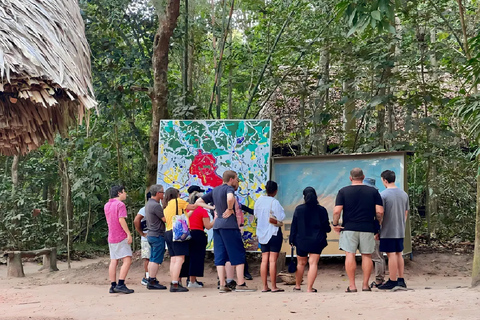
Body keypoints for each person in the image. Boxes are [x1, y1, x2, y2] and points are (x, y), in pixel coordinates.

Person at [196, 170, 256, 293]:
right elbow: (230, 198)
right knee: (238, 253)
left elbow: (199, 202)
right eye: (237, 179)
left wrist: (213, 208)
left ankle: (222, 284)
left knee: (220, 255)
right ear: (231, 179)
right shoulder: (229, 189)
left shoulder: (215, 190)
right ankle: (240, 283)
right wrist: (229, 209)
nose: (237, 181)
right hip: (229, 226)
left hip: (217, 226)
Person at [332, 168, 384, 293]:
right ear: (363, 177)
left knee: (350, 254)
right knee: (367, 256)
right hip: (367, 228)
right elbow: (379, 211)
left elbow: (337, 211)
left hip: (349, 228)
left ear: (350, 178)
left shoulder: (343, 191)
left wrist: (335, 224)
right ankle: (365, 285)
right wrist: (378, 224)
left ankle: (352, 286)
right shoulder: (373, 192)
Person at [289, 187, 331, 293]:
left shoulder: (299, 209)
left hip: (301, 240)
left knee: (300, 264)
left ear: (304, 196)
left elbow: (294, 226)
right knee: (313, 264)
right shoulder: (322, 210)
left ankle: (297, 286)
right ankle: (309, 288)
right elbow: (327, 227)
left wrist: (292, 239)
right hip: (317, 240)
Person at [377, 170, 409, 290]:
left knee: (391, 255)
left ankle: (392, 280)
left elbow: (381, 213)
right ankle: (401, 279)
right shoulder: (404, 194)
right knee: (399, 253)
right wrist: (401, 224)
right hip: (400, 229)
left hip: (388, 229)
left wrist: (379, 227)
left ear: (385, 180)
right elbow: (406, 212)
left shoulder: (383, 195)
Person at [254, 180, 286, 293]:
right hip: (273, 232)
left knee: (264, 260)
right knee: (272, 261)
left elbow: (256, 214)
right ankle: (273, 286)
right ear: (275, 191)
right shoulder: (274, 202)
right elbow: (281, 217)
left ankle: (264, 286)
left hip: (262, 233)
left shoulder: (259, 201)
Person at [104, 185, 134, 294]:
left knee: (114, 260)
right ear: (119, 193)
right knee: (127, 259)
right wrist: (128, 234)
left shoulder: (107, 205)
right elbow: (121, 220)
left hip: (111, 236)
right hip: (120, 235)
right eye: (124, 191)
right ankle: (121, 284)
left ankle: (113, 285)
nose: (125, 193)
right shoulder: (120, 205)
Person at [186, 185, 215, 288]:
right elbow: (208, 226)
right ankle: (192, 281)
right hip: (198, 234)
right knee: (196, 257)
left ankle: (181, 280)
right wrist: (215, 218)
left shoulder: (185, 209)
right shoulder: (202, 211)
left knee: (185, 257)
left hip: (186, 234)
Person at [363, 177, 386, 288]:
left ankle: (379, 280)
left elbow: (379, 214)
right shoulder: (377, 196)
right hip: (376, 229)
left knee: (377, 256)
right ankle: (379, 279)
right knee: (378, 256)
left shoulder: (373, 198)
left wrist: (377, 229)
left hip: (374, 230)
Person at [145, 184, 168, 290]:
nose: (163, 194)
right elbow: (165, 219)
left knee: (152, 258)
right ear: (158, 193)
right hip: (157, 234)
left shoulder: (149, 203)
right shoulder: (156, 205)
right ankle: (152, 280)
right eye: (162, 192)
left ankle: (150, 278)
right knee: (156, 259)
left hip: (151, 234)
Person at [134, 192, 152, 286]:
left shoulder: (157, 208)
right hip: (146, 238)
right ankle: (147, 277)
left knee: (153, 258)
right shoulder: (144, 209)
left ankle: (150, 276)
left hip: (154, 236)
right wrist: (141, 233)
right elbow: (136, 220)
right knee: (147, 258)